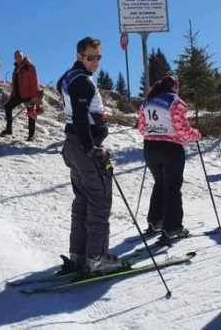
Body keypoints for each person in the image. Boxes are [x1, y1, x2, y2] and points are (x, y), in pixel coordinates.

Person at [57, 36, 126, 273]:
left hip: (73, 146)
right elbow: (79, 115)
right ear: (79, 56)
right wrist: (91, 148)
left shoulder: (69, 77)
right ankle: (96, 257)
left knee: (83, 201)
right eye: (90, 57)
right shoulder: (82, 82)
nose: (95, 62)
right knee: (99, 201)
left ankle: (79, 256)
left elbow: (74, 107)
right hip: (83, 147)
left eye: (98, 57)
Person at [138, 76, 201, 246]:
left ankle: (155, 221)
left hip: (150, 147)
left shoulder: (147, 102)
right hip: (170, 147)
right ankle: (172, 227)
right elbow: (182, 129)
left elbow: (142, 128)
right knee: (172, 186)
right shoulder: (176, 102)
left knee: (159, 183)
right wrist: (196, 134)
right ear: (175, 87)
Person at [2, 50, 42, 140]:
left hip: (29, 94)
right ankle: (9, 129)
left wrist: (35, 96)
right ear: (14, 58)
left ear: (23, 57)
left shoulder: (30, 66)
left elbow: (34, 81)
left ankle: (31, 135)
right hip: (18, 95)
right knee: (8, 107)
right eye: (17, 57)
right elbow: (15, 85)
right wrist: (12, 96)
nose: (18, 58)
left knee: (31, 114)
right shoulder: (15, 69)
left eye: (20, 56)